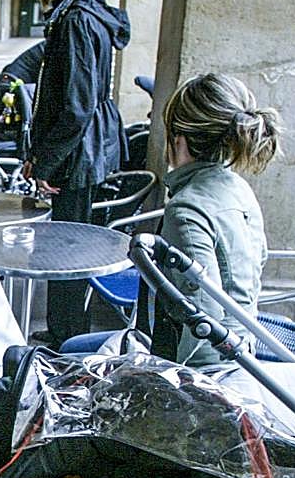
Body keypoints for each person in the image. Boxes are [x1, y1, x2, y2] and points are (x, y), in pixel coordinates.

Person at [61, 73, 278, 366]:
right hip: (241, 346)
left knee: (68, 353)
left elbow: (202, 319)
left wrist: (154, 375)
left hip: (204, 367)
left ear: (178, 138)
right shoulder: (238, 187)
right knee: (78, 346)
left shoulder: (186, 210)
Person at [22, 0, 130, 346]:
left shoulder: (76, 21)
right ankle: (64, 331)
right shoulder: (85, 13)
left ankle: (66, 337)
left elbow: (76, 107)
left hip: (79, 153)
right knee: (71, 243)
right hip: (85, 148)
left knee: (67, 248)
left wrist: (45, 162)